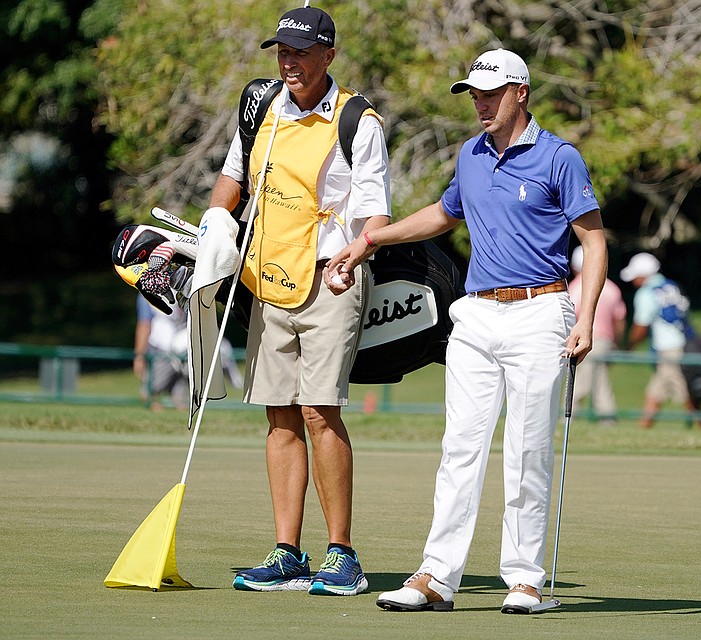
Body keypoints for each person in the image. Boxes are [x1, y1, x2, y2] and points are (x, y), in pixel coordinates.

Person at [324, 48, 607, 613]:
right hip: (476, 314)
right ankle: (436, 575)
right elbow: (443, 213)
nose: (479, 102)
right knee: (459, 448)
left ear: (520, 92)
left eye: (490, 92)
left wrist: (587, 316)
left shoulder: (560, 158)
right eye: (474, 93)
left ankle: (524, 579)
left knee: (528, 451)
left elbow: (593, 241)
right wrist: (370, 241)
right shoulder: (472, 155)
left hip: (540, 311)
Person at [202, 4, 390, 596]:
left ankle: (343, 555)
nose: (289, 63)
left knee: (318, 410)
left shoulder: (358, 120)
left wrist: (355, 256)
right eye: (282, 51)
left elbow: (374, 213)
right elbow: (234, 179)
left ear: (328, 55)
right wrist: (213, 221)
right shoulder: (262, 109)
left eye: (301, 52)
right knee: (279, 413)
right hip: (267, 279)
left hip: (332, 276)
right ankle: (287, 551)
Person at [621, 252, 701, 430]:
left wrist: (629, 346)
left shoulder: (646, 293)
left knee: (685, 394)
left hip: (669, 350)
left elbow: (640, 326)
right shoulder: (671, 286)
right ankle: (643, 429)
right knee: (657, 392)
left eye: (635, 276)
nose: (633, 281)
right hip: (684, 344)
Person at [568, 246, 627, 424]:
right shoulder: (611, 287)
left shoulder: (575, 287)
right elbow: (620, 319)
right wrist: (616, 342)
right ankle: (605, 417)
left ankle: (575, 417)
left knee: (583, 380)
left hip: (582, 339)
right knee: (598, 378)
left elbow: (570, 317)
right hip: (606, 341)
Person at [133, 293, 189, 411]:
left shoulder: (146, 292)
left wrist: (139, 356)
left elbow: (144, 325)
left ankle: (156, 415)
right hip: (183, 344)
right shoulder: (182, 286)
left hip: (162, 346)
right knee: (180, 398)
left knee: (149, 392)